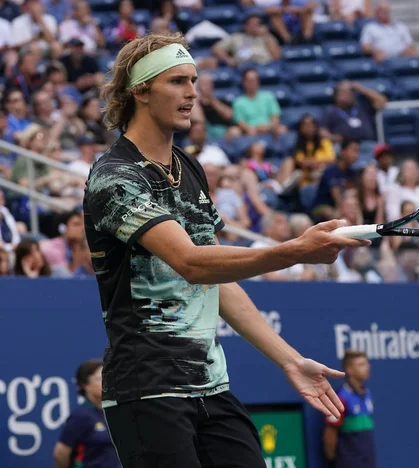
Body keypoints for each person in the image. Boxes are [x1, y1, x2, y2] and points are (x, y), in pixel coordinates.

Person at [83, 32, 369, 468]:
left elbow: (219, 280)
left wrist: (290, 361)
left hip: (212, 388)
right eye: (177, 81)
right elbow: (192, 263)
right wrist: (293, 250)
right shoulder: (114, 177)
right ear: (140, 90)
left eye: (194, 80)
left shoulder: (190, 168)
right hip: (147, 390)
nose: (193, 92)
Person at [53, 359, 120, 468]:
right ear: (85, 385)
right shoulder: (80, 416)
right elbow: (61, 453)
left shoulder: (114, 412)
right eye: (99, 379)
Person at [323, 350, 376, 468]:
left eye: (366, 363)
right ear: (349, 370)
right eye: (361, 364)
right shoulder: (340, 398)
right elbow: (330, 435)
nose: (367, 367)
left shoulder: (367, 394)